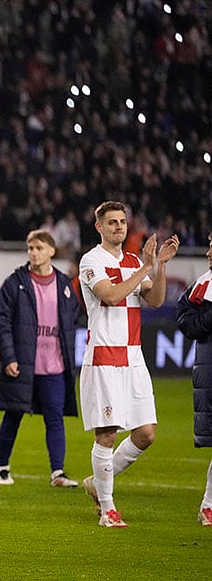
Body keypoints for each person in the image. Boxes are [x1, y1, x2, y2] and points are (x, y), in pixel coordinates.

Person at [79, 200, 179, 528]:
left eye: (122, 222)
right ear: (99, 227)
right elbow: (110, 295)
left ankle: (97, 482)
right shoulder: (92, 261)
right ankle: (108, 509)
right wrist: (144, 269)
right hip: (106, 355)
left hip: (133, 357)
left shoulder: (134, 261)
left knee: (146, 433)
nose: (119, 227)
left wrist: (159, 266)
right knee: (106, 434)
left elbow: (155, 299)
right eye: (112, 222)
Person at [0, 230, 80, 488]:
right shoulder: (15, 283)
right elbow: (0, 320)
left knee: (55, 418)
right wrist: (9, 357)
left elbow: (72, 317)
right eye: (30, 248)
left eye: (39, 248)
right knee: (13, 415)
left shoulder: (63, 284)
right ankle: (2, 467)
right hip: (23, 363)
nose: (34, 252)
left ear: (52, 251)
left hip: (55, 365)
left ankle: (58, 473)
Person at [175, 233, 212, 527]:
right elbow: (188, 324)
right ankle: (208, 505)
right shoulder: (201, 286)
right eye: (210, 245)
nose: (210, 252)